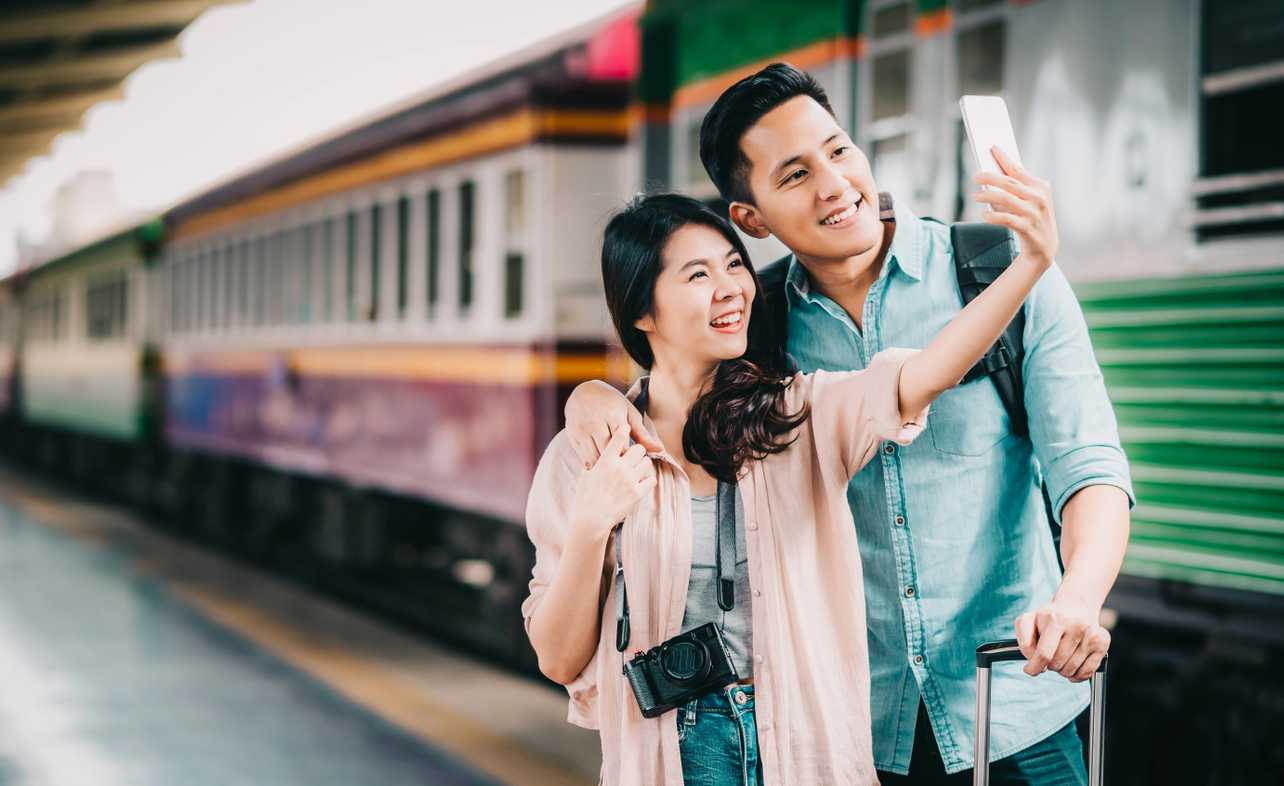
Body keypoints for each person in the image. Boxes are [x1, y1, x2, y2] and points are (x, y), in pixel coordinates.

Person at [563, 64, 1134, 785]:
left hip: (1015, 707)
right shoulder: (755, 328)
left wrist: (1077, 600)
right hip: (842, 730)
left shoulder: (1000, 277)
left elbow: (1089, 468)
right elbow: (668, 403)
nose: (834, 184)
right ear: (752, 218)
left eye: (838, 151)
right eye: (795, 174)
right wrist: (594, 396)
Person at [524, 183, 1057, 785]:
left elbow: (925, 374)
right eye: (698, 276)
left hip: (803, 743)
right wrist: (595, 522)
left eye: (734, 265)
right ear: (642, 309)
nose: (732, 289)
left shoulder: (798, 416)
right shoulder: (587, 455)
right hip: (670, 752)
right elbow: (557, 656)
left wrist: (1031, 263)